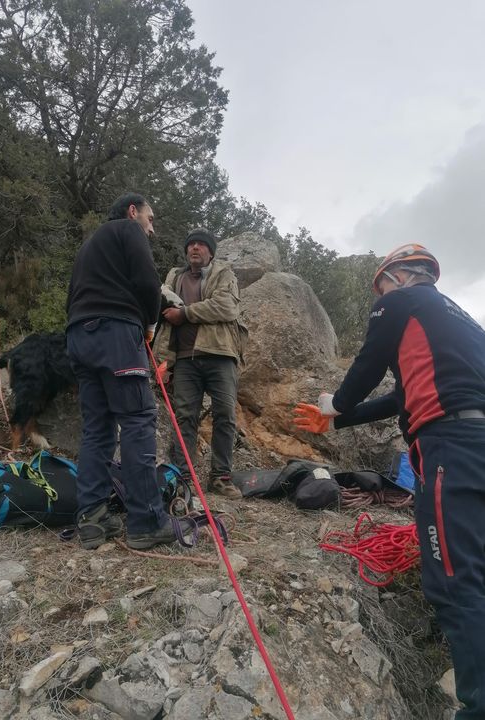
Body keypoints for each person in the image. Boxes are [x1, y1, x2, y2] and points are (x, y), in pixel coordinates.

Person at [293, 243, 485, 719]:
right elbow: (399, 395)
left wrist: (332, 404)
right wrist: (338, 422)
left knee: (455, 581)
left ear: (398, 275)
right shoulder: (462, 324)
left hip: (450, 448)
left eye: (379, 284)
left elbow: (368, 365)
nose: (377, 295)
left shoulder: (398, 302)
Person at [66, 192, 179, 550]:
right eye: (150, 218)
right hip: (115, 333)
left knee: (97, 428)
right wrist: (148, 324)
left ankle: (93, 519)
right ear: (133, 211)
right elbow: (148, 282)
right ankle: (146, 520)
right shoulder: (128, 231)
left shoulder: (89, 246)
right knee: (137, 418)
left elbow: (71, 296)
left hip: (79, 336)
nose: (151, 228)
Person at [154, 228, 246, 499]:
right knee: (184, 418)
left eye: (201, 245)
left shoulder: (224, 273)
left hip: (220, 354)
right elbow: (162, 311)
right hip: (183, 359)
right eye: (191, 244)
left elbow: (227, 307)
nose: (195, 248)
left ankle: (220, 476)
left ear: (210, 251)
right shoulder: (174, 276)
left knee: (225, 416)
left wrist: (185, 314)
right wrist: (163, 361)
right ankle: (183, 477)